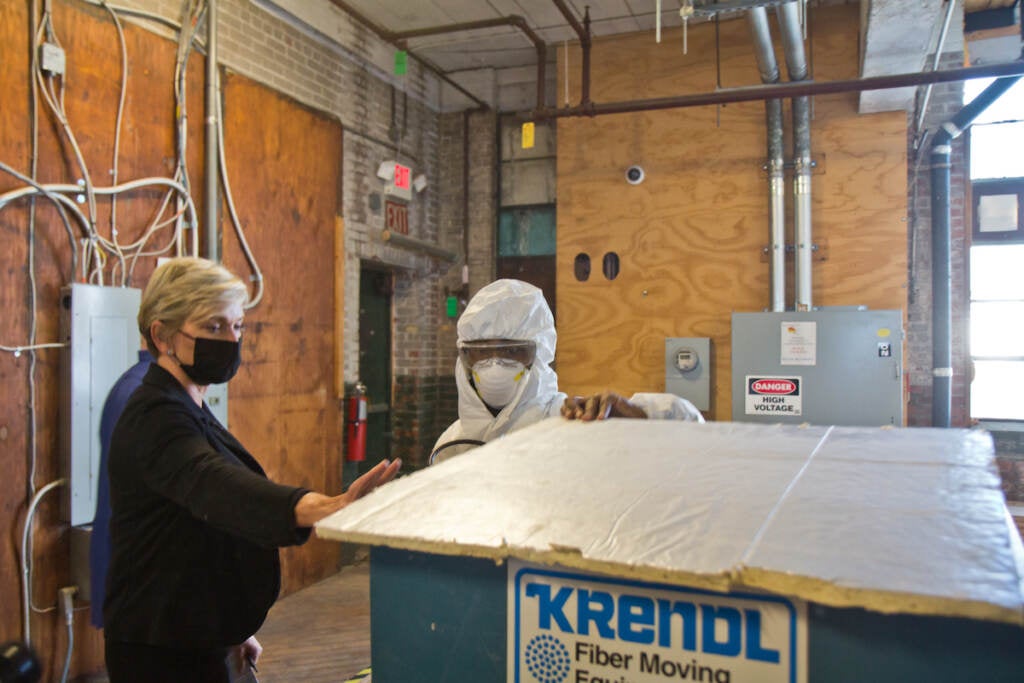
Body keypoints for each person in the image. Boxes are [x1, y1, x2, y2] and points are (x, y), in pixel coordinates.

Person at [103, 257, 401, 683]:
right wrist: (325, 507)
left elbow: (200, 532)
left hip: (198, 637)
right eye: (212, 327)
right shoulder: (155, 415)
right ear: (162, 335)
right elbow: (220, 489)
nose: (230, 339)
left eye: (236, 326)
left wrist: (232, 630)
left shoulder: (190, 407)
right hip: (160, 650)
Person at [430, 279, 703, 463]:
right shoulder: (450, 446)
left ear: (540, 354)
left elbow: (696, 438)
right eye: (481, 352)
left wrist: (641, 417)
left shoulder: (575, 423)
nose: (495, 363)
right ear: (464, 357)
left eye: (512, 351)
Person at [89, 347, 153, 629]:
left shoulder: (170, 393)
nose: (232, 338)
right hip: (142, 585)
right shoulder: (139, 395)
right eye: (214, 327)